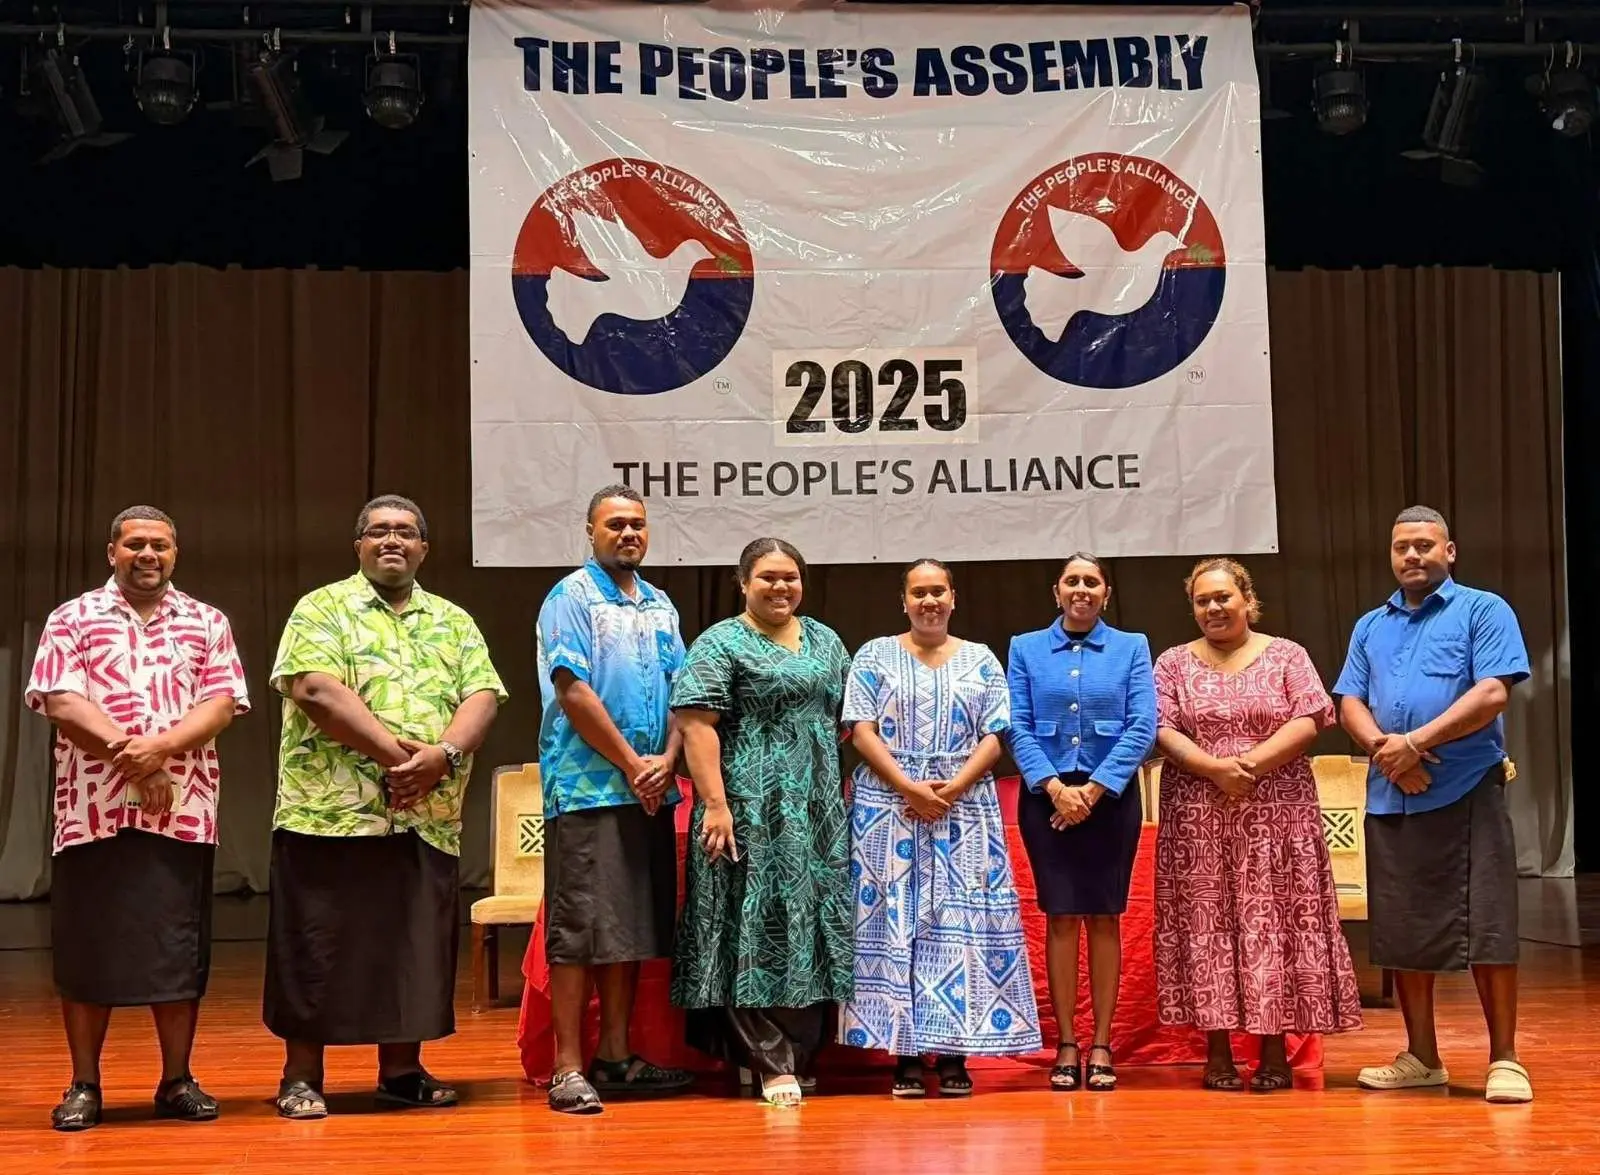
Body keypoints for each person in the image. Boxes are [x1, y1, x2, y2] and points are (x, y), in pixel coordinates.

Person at [264, 494, 505, 1119]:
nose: (391, 540)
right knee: (317, 947)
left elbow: (483, 695)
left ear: (424, 547)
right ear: (358, 545)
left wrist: (444, 755)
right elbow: (315, 689)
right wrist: (403, 761)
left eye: (405, 532)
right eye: (378, 532)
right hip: (330, 815)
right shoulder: (321, 608)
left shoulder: (454, 620)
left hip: (425, 817)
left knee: (412, 948)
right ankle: (301, 1076)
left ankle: (401, 1070)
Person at [25, 505, 250, 1131]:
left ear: (175, 554)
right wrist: (141, 762)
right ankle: (83, 1085)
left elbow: (222, 702)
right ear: (112, 552)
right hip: (90, 811)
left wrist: (165, 752)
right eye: (135, 545)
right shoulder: (72, 618)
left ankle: (176, 1080)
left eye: (160, 546)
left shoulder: (207, 621)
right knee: (86, 948)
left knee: (177, 947)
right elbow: (63, 701)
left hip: (183, 810)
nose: (147, 555)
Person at [1333, 506, 1532, 1104]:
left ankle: (1505, 1060)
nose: (1412, 556)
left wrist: (1416, 743)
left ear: (1450, 551)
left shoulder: (1483, 609)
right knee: (1402, 931)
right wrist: (1386, 752)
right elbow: (1348, 699)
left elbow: (1493, 691)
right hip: (1394, 797)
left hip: (1467, 789)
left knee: (1489, 926)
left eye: (1424, 545)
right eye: (1401, 547)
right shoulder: (1370, 625)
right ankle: (1422, 1057)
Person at [1152, 558, 1362, 1091]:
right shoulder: (1173, 663)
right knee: (1208, 927)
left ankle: (1274, 1051)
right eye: (1203, 601)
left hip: (1279, 819)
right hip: (1199, 822)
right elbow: (1160, 729)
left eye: (1223, 597)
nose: (1214, 608)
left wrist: (1248, 766)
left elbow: (1310, 719)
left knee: (1274, 924)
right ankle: (1217, 1050)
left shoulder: (1287, 654)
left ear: (1247, 599)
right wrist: (1214, 769)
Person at [839, 559, 1042, 1097]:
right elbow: (859, 728)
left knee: (959, 923)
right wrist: (908, 786)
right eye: (918, 593)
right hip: (888, 805)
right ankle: (904, 1054)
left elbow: (998, 734)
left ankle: (953, 1053)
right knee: (893, 920)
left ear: (953, 598)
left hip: (965, 806)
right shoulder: (874, 655)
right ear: (903, 601)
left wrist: (950, 789)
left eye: (938, 592)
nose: (929, 601)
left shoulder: (979, 659)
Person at [668, 537, 852, 1108]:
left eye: (790, 577)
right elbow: (697, 726)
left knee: (813, 924)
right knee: (748, 926)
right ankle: (768, 1061)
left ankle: (799, 1052)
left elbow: (847, 718)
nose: (780, 587)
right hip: (747, 805)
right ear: (743, 582)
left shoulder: (825, 639)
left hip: (817, 809)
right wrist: (716, 805)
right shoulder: (721, 642)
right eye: (768, 577)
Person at [535, 485, 695, 1114]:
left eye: (637, 525)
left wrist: (667, 762)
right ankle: (568, 1069)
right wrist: (633, 764)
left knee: (628, 927)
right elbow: (572, 691)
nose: (628, 534)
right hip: (587, 790)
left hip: (650, 790)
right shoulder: (570, 597)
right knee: (579, 931)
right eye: (615, 525)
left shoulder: (660, 603)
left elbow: (686, 690)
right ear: (590, 531)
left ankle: (617, 1056)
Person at [1006, 553, 1155, 1093]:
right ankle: (1067, 1042)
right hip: (1046, 799)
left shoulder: (1132, 647)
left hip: (1110, 799)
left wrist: (1093, 789)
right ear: (1057, 590)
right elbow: (1015, 726)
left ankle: (1102, 1044)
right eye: (1073, 581)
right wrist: (1054, 788)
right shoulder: (1024, 648)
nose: (1082, 590)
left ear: (1106, 593)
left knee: (1106, 918)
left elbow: (1144, 725)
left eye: (1092, 581)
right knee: (1062, 917)